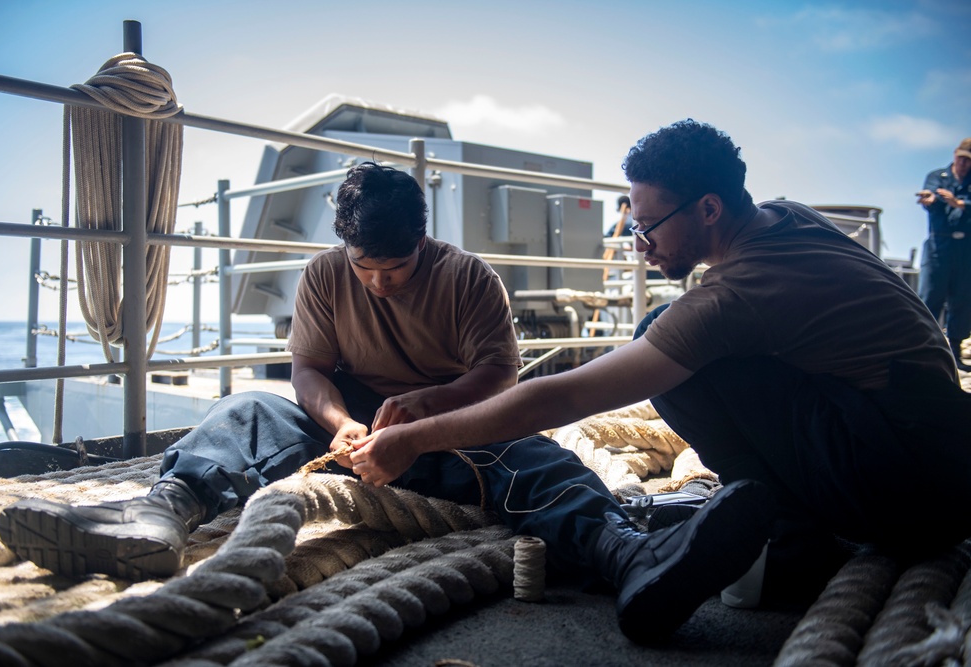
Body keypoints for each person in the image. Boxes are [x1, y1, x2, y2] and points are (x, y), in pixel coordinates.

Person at [0, 161, 776, 645]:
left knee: (541, 460)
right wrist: (341, 425)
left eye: (396, 268)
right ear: (345, 247)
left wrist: (427, 414)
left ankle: (628, 557)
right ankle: (159, 512)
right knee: (249, 412)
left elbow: (500, 377)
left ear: (424, 244)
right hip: (357, 415)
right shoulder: (324, 275)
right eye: (365, 267)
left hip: (453, 421)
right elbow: (306, 369)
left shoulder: (468, 277)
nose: (379, 283)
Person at [353, 121, 971, 640]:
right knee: (672, 332)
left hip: (911, 489)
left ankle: (789, 541)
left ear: (709, 208)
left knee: (674, 347)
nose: (640, 245)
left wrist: (416, 439)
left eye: (648, 227)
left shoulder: (736, 296)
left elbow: (563, 394)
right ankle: (788, 518)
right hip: (936, 451)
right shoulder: (789, 217)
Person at [916, 138, 971, 371]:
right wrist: (933, 199)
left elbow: (960, 203)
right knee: (930, 297)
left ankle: (955, 351)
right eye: (961, 158)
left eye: (968, 160)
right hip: (939, 246)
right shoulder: (938, 176)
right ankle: (922, 349)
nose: (963, 163)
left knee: (962, 299)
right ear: (954, 155)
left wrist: (959, 203)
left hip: (965, 249)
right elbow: (929, 196)